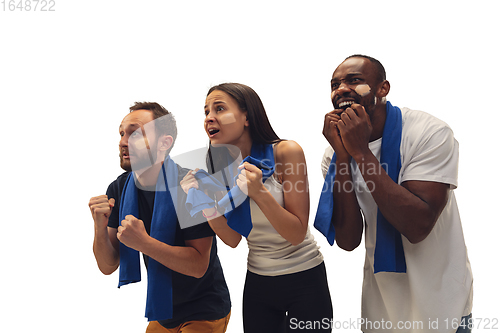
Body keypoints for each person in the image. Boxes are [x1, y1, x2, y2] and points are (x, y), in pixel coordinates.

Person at [316, 55, 473, 333]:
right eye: (334, 84)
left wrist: (360, 152)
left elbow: (417, 226)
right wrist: (343, 156)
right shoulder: (335, 153)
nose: (340, 89)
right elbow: (348, 240)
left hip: (441, 306)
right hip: (382, 310)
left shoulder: (428, 132)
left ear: (382, 89)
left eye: (354, 80)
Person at [181, 83, 333, 333]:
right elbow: (232, 238)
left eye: (219, 108)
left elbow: (296, 234)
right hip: (259, 283)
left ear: (247, 117)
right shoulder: (221, 169)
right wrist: (202, 201)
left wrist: (259, 192)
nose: (209, 117)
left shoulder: (286, 152)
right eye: (206, 111)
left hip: (305, 278)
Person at [89, 102, 231, 333]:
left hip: (205, 309)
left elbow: (198, 265)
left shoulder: (190, 186)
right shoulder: (118, 188)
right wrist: (98, 226)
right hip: (164, 313)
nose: (123, 141)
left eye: (135, 133)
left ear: (164, 143)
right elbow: (107, 265)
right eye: (122, 133)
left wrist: (144, 243)